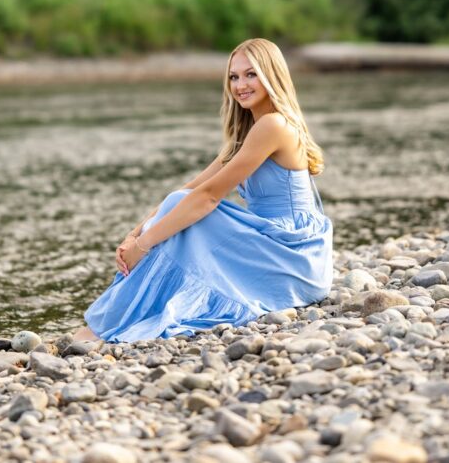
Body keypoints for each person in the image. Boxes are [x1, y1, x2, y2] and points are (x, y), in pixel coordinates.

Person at [75, 38, 333, 342]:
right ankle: (113, 322)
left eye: (251, 74)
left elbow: (208, 197)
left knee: (184, 211)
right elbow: (193, 187)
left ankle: (105, 325)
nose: (240, 85)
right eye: (234, 77)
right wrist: (134, 234)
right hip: (274, 243)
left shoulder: (273, 125)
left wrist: (143, 245)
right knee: (179, 204)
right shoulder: (249, 132)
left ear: (271, 75)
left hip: (293, 255)